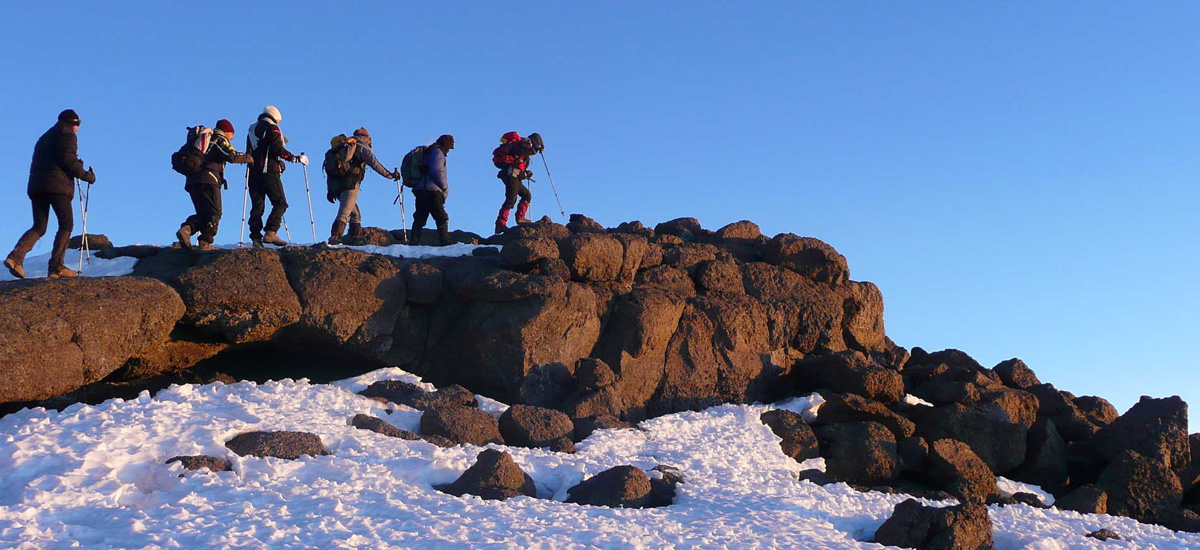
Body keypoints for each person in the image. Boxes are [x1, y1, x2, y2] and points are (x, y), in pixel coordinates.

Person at [4, 109, 96, 279]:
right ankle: (56, 267)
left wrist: (76, 164)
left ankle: (15, 258)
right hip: (57, 186)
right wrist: (87, 176)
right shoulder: (68, 135)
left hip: (37, 186)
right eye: (77, 125)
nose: (77, 129)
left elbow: (56, 158)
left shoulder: (45, 137)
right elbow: (67, 161)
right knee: (66, 225)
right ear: (72, 123)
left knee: (39, 226)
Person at [176, 119, 252, 251]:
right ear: (226, 131)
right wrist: (248, 158)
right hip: (209, 179)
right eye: (232, 134)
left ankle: (187, 229)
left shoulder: (201, 140)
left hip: (192, 180)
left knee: (204, 213)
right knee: (215, 213)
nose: (232, 137)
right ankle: (205, 242)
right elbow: (232, 156)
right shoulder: (218, 139)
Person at [326, 127, 401, 245]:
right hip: (350, 184)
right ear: (367, 138)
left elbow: (331, 171)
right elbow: (375, 164)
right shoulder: (362, 146)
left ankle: (355, 238)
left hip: (336, 186)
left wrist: (330, 190)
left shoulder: (343, 147)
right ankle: (335, 237)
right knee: (344, 212)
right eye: (370, 139)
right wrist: (390, 175)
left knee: (355, 213)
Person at [246, 105, 306, 247]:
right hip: (269, 171)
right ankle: (271, 232)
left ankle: (256, 238)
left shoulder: (252, 129)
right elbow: (277, 148)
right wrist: (294, 158)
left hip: (253, 173)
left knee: (257, 206)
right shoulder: (272, 129)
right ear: (275, 118)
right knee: (280, 203)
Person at [492, 131, 542, 234]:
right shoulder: (520, 148)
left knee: (526, 195)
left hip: (513, 176)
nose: (534, 152)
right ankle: (501, 224)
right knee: (511, 199)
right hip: (511, 176)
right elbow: (516, 167)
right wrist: (524, 174)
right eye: (535, 149)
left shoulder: (523, 154)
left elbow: (518, 168)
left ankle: (519, 218)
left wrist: (525, 174)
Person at [409, 134, 454, 245]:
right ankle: (445, 243)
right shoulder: (437, 152)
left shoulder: (428, 152)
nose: (449, 150)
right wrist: (444, 187)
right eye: (449, 146)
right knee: (441, 217)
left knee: (420, 217)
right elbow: (437, 170)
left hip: (420, 189)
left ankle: (413, 243)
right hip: (432, 191)